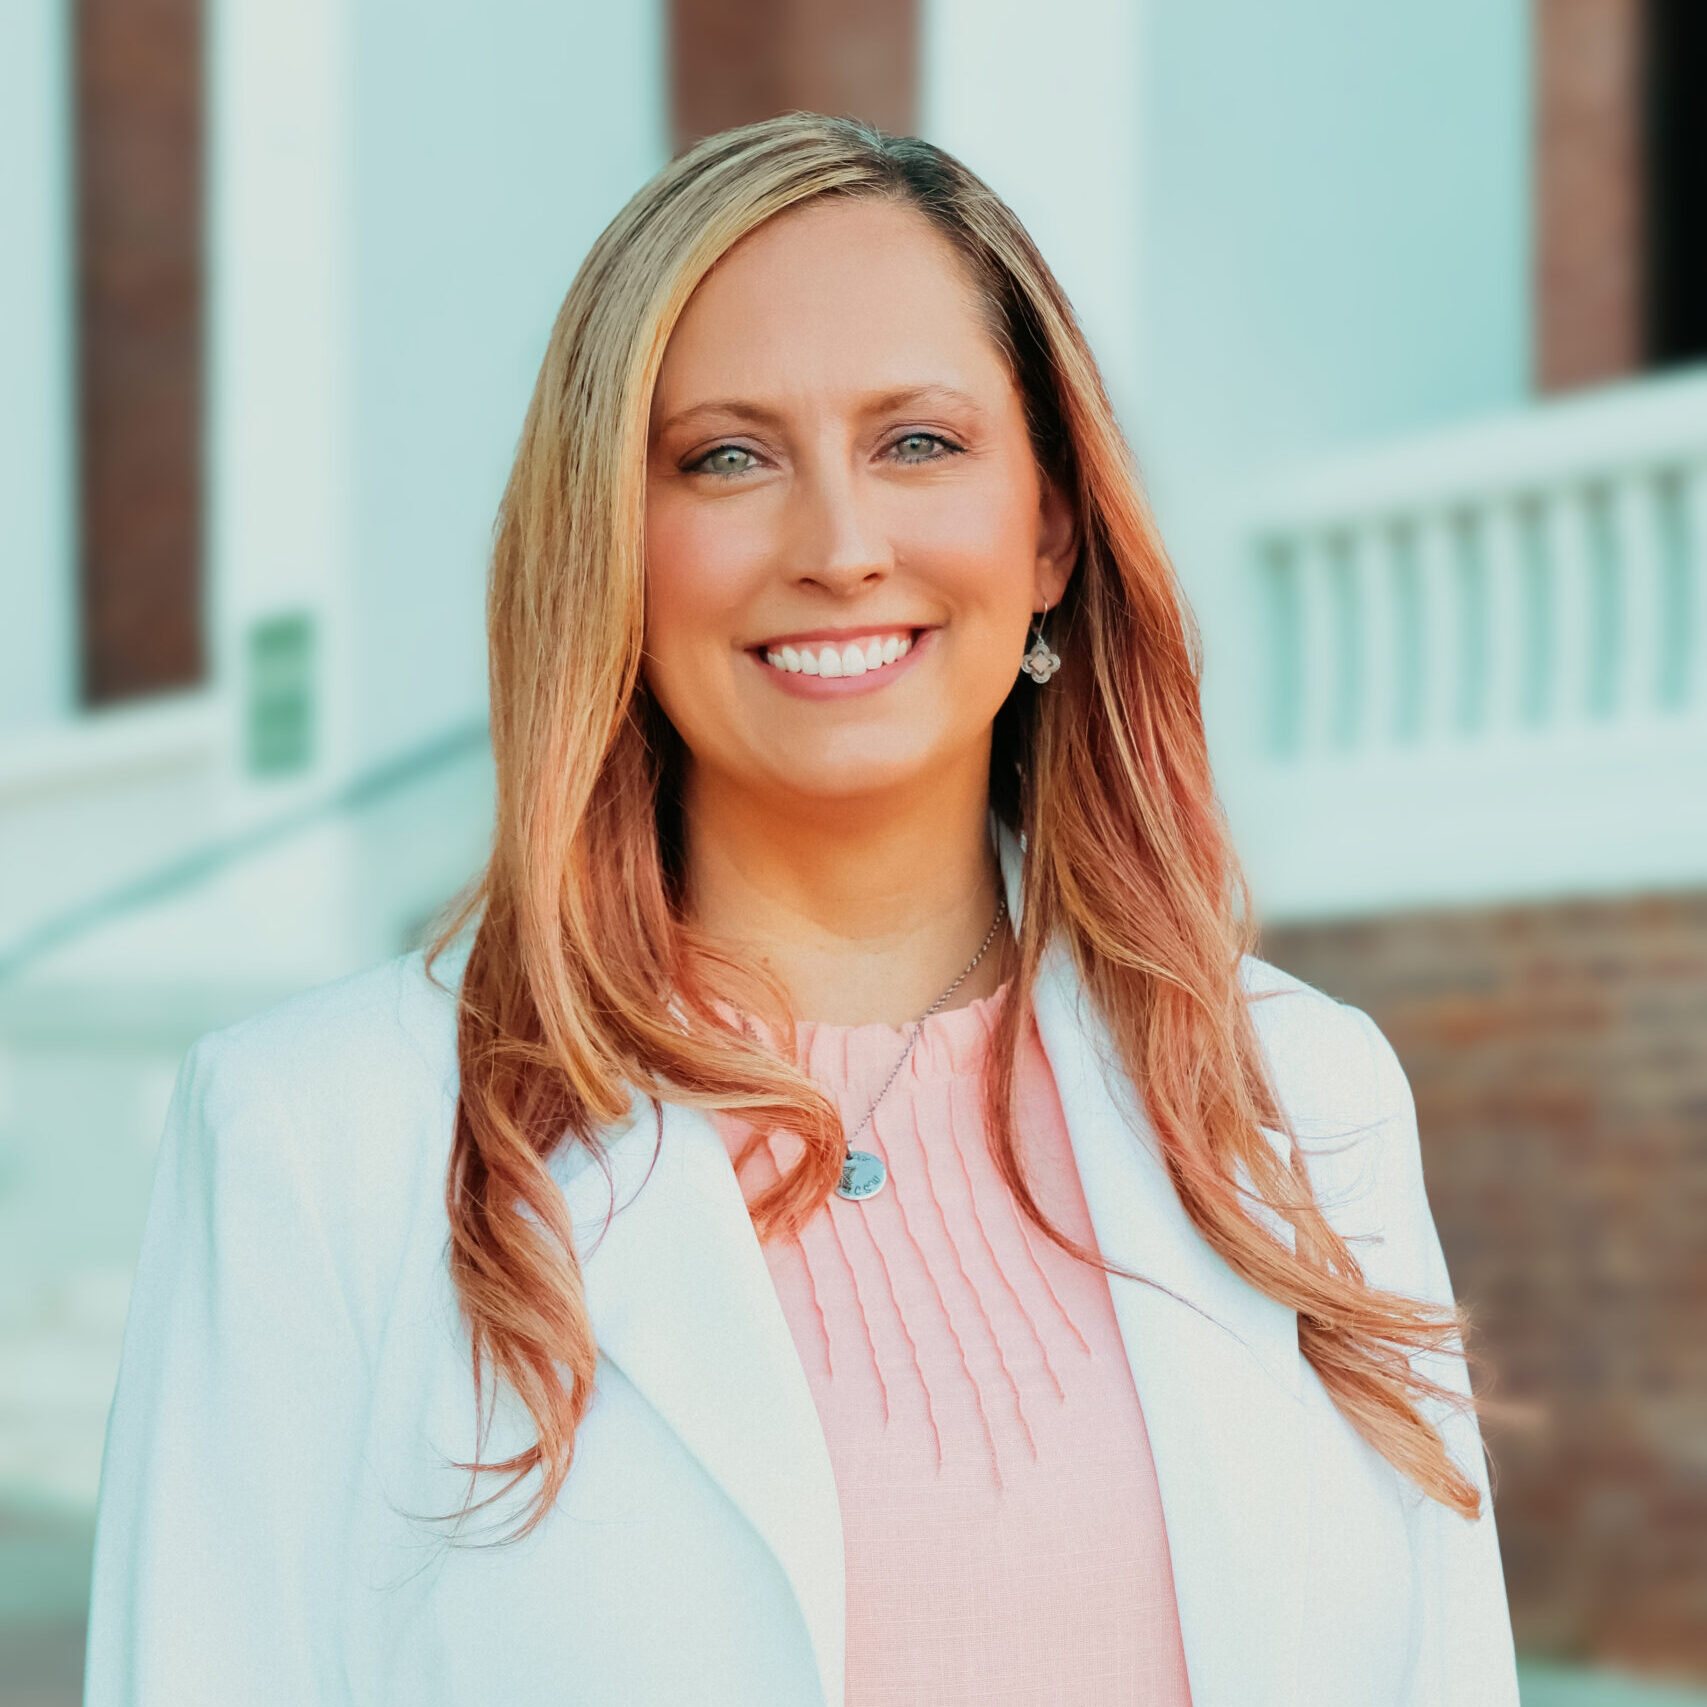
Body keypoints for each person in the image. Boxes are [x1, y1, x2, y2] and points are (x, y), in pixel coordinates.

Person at [83, 115, 1519, 1707]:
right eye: (728, 458)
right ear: (610, 545)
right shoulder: (318, 1142)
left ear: (1050, 531)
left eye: (919, 443)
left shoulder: (1304, 1102)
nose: (840, 547)